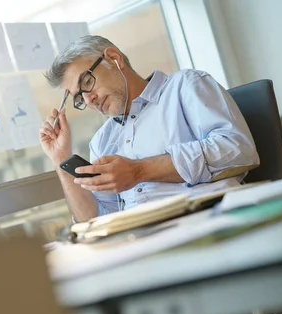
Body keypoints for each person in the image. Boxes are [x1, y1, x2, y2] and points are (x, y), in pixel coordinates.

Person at [39, 35, 259, 222]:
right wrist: (60, 160)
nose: (88, 100)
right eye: (79, 98)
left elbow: (239, 151)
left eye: (86, 83)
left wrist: (139, 171)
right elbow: (98, 220)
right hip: (140, 242)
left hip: (208, 221)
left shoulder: (185, 86)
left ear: (114, 59)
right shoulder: (101, 142)